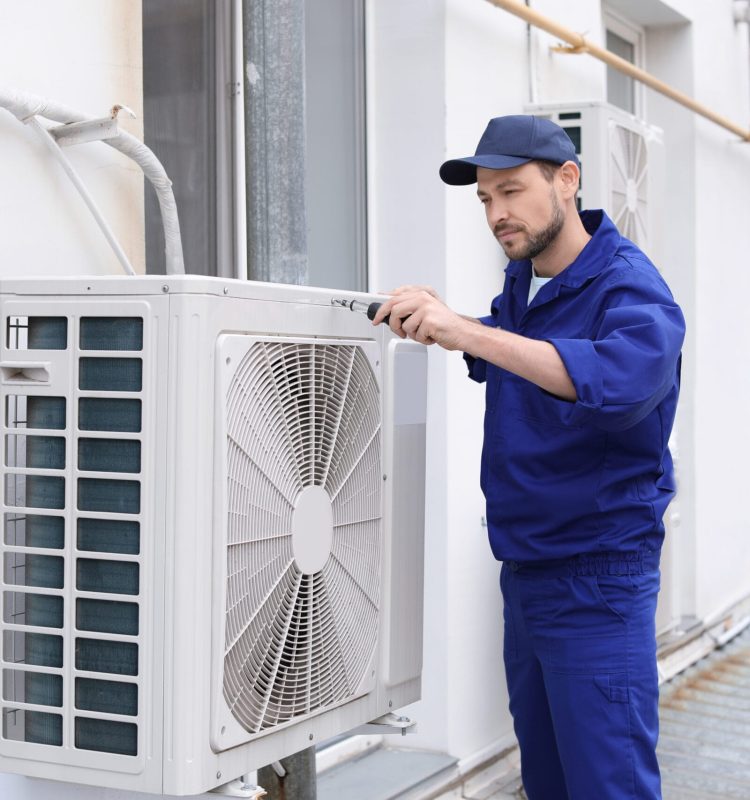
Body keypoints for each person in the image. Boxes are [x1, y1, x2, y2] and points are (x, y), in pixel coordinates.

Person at [372, 115, 685, 800]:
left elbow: (618, 381)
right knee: (545, 781)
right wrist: (450, 321)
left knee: (609, 786)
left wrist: (470, 335)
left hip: (598, 579)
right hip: (528, 572)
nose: (498, 213)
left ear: (566, 181)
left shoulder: (631, 289)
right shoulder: (527, 281)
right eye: (485, 198)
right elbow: (518, 355)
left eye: (511, 191)